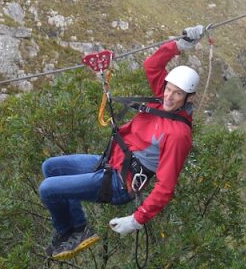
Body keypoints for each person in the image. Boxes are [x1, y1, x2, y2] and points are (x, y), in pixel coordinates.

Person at [39, 25, 204, 260]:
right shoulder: (162, 100)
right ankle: (78, 227)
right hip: (110, 162)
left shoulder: (178, 135)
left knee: (48, 190)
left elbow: (166, 187)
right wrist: (180, 45)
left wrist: (137, 220)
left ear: (189, 98)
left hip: (120, 183)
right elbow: (153, 65)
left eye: (177, 94)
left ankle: (69, 232)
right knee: (50, 167)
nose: (169, 96)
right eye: (168, 89)